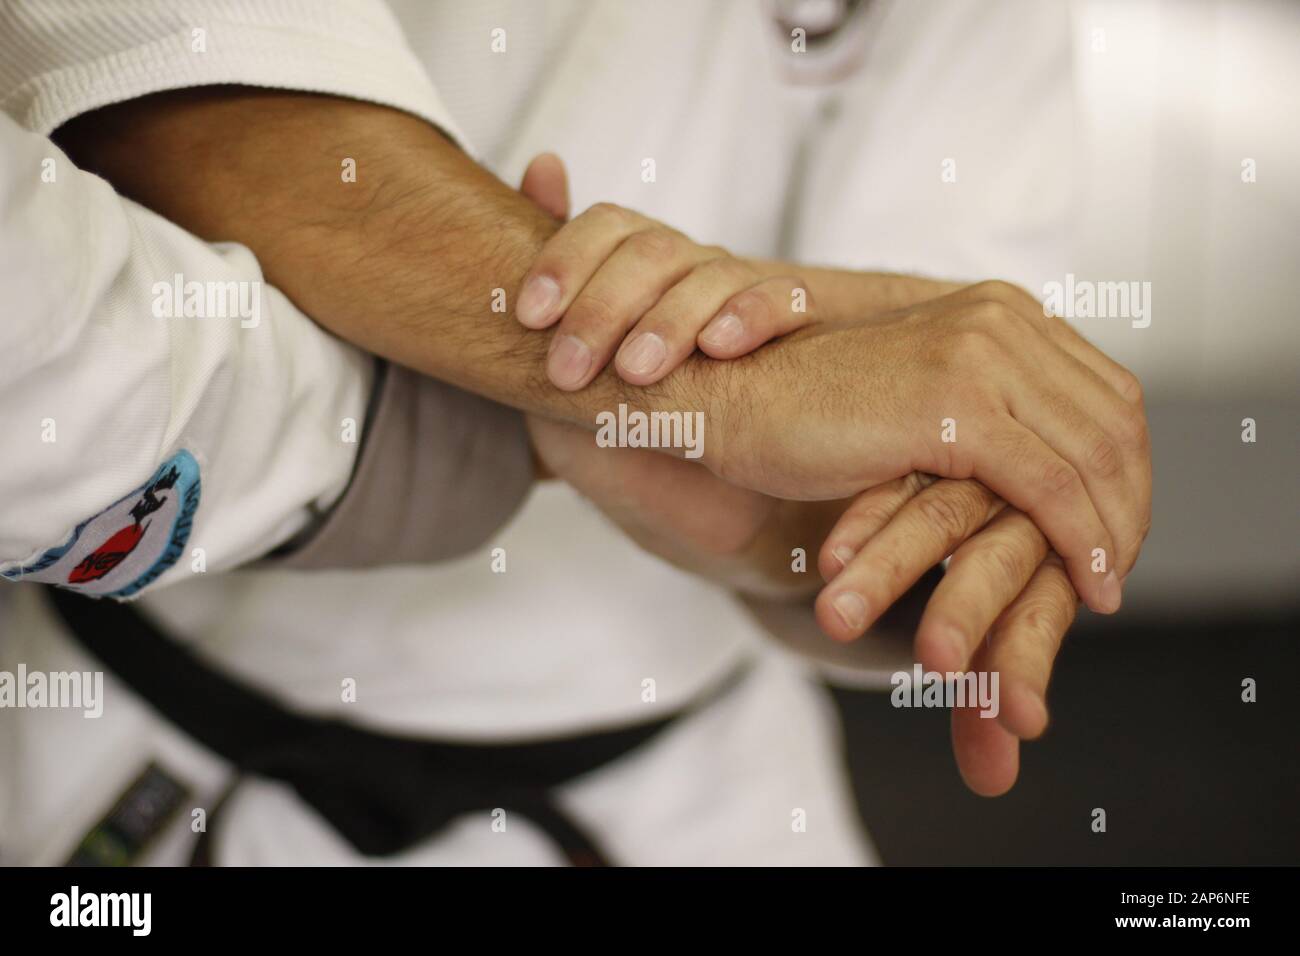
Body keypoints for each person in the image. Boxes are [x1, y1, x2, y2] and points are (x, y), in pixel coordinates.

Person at [0, 0, 1150, 864]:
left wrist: (863, 529)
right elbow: (174, 93)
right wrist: (687, 393)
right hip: (138, 733)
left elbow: (931, 418)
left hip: (701, 794)